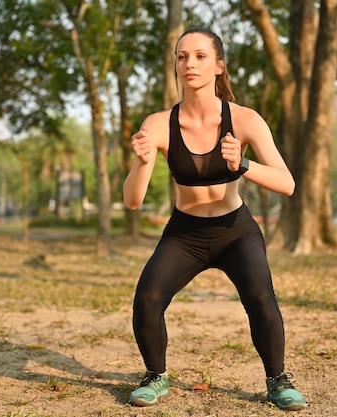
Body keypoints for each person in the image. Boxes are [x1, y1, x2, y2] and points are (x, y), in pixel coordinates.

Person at [122, 27, 307, 411]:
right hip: (184, 233)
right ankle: (155, 376)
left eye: (201, 56)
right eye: (182, 56)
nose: (189, 63)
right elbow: (133, 201)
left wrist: (243, 164)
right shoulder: (158, 124)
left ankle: (278, 380)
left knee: (260, 296)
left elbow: (287, 183)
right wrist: (142, 163)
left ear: (219, 66)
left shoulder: (244, 119)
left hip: (235, 230)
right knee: (148, 297)